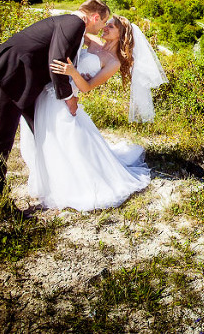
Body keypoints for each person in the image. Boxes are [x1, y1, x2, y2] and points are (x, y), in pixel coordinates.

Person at [18, 15, 167, 211]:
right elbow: (71, 34)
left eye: (111, 26)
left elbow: (87, 87)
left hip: (69, 94)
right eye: (107, 23)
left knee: (65, 139)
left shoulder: (114, 62)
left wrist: (73, 73)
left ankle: (68, 185)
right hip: (52, 90)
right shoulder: (93, 41)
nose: (105, 27)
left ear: (121, 34)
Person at [0, 0, 110, 195]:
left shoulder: (72, 23)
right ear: (95, 17)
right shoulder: (74, 23)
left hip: (22, 81)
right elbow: (57, 60)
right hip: (8, 75)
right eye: (103, 22)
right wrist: (69, 97)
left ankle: (56, 184)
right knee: (0, 139)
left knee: (45, 129)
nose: (102, 28)